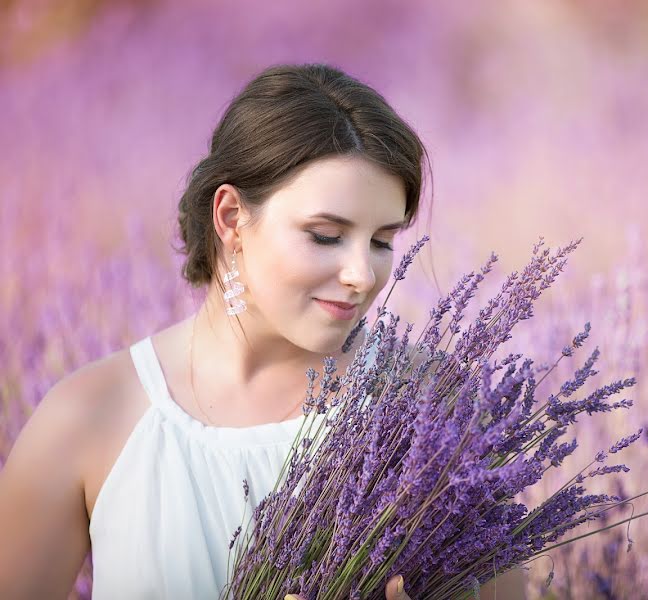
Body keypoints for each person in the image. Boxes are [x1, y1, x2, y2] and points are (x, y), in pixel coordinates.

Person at [0, 64, 525, 599]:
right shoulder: (89, 417)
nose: (363, 276)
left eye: (382, 240)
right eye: (325, 236)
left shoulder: (432, 411)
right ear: (230, 218)